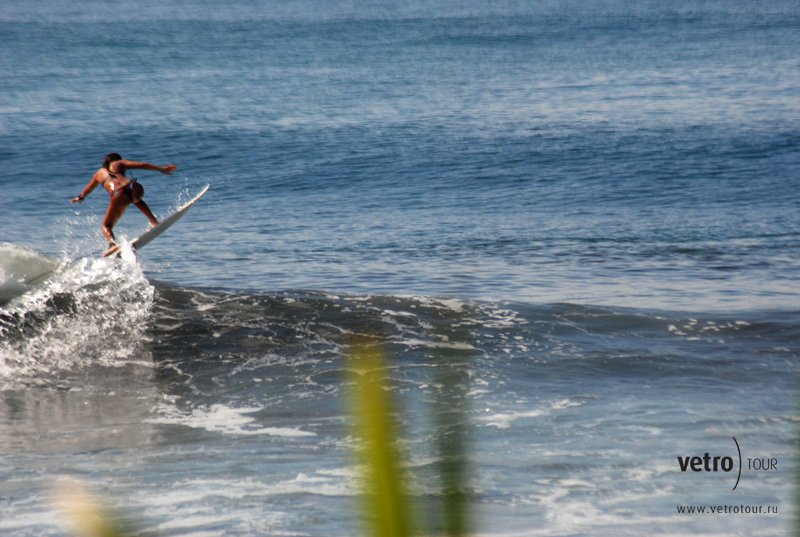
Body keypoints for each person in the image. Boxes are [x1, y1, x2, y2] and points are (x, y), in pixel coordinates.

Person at [72, 153, 177, 248]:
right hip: (135, 187)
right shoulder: (118, 163)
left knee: (106, 226)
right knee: (136, 200)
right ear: (116, 159)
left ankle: (113, 244)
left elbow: (89, 189)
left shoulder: (98, 175)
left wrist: (81, 197)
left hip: (119, 194)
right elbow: (142, 165)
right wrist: (162, 170)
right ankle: (154, 221)